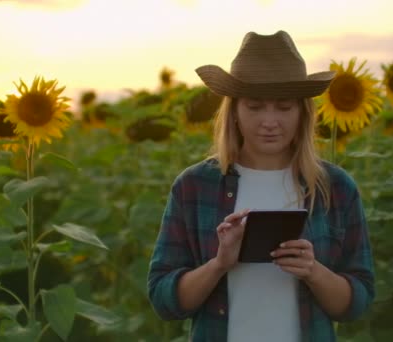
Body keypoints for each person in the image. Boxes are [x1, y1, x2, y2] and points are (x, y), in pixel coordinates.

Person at [147, 30, 374, 341]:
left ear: (302, 113)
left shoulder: (335, 189)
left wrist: (313, 270)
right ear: (235, 112)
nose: (270, 121)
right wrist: (219, 264)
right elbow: (163, 299)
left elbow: (356, 304)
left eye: (284, 107)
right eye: (255, 107)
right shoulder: (194, 187)